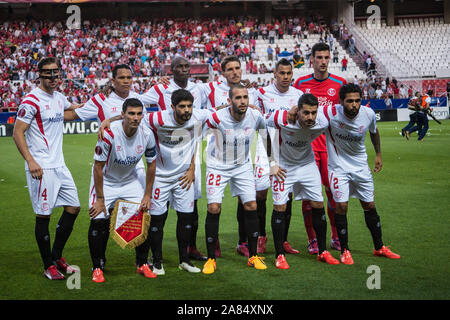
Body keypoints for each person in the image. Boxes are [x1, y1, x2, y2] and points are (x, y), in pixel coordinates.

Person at [12, 57, 81, 280]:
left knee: (73, 207)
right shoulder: (31, 100)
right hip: (41, 166)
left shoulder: (59, 98)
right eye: (48, 73)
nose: (53, 77)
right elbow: (17, 132)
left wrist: (101, 102)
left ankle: (57, 256)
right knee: (44, 215)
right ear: (39, 74)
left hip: (59, 165)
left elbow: (71, 112)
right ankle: (47, 265)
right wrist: (31, 161)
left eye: (56, 72)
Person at [324, 83, 401, 264]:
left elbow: (374, 132)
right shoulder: (329, 112)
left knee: (370, 205)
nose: (354, 105)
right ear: (341, 101)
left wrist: (379, 155)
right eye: (350, 101)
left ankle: (379, 247)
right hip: (338, 168)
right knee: (341, 207)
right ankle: (344, 250)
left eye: (357, 101)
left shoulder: (368, 114)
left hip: (360, 167)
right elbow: (308, 113)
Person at [141, 57, 207, 261]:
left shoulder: (199, 89)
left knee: (191, 209)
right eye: (180, 66)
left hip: (188, 164)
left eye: (187, 67)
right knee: (160, 214)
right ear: (172, 69)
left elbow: (221, 107)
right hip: (163, 165)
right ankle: (155, 255)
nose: (184, 70)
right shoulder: (160, 91)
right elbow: (134, 106)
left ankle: (190, 250)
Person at [266, 93, 340, 269]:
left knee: (318, 204)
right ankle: (279, 255)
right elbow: (263, 129)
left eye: (313, 113)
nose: (310, 117)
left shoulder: (322, 120)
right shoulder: (281, 118)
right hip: (284, 166)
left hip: (307, 165)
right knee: (280, 206)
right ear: (297, 111)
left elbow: (341, 110)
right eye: (306, 113)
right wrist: (272, 162)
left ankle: (322, 251)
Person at [89, 98, 158, 283]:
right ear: (122, 115)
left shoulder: (147, 134)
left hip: (129, 180)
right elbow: (97, 167)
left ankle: (142, 263)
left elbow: (151, 166)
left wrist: (147, 195)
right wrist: (101, 198)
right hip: (106, 181)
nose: (135, 118)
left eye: (138, 114)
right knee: (98, 219)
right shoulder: (109, 134)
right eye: (131, 113)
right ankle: (97, 266)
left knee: (144, 215)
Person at [202, 84, 268, 275]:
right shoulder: (217, 117)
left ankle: (253, 256)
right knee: (214, 208)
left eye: (245, 97)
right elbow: (197, 135)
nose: (242, 101)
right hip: (217, 166)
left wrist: (273, 162)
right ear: (229, 101)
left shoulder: (255, 116)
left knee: (252, 206)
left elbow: (266, 135)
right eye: (238, 98)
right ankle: (211, 259)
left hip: (242, 166)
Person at [200, 56, 257, 258]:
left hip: (243, 156)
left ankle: (245, 244)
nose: (235, 72)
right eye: (230, 69)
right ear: (223, 72)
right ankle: (213, 246)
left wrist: (269, 161)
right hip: (218, 156)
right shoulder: (210, 89)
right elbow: (190, 99)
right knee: (215, 206)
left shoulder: (252, 91)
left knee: (248, 202)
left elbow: (260, 121)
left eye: (237, 68)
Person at [294, 42, 346, 254]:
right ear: (312, 60)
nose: (323, 62)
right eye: (319, 58)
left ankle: (335, 236)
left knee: (333, 193)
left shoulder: (340, 83)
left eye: (326, 58)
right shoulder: (300, 83)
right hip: (308, 147)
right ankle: (313, 239)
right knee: (310, 196)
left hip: (332, 148)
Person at [254, 58, 304, 256]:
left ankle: (282, 240)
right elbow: (256, 117)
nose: (285, 77)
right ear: (274, 74)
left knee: (286, 195)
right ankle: (260, 237)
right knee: (261, 193)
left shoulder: (298, 95)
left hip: (288, 151)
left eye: (288, 73)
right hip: (265, 148)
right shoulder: (262, 93)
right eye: (281, 73)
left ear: (292, 75)